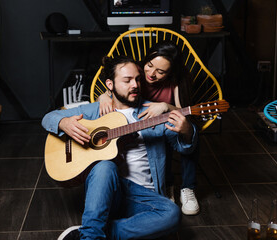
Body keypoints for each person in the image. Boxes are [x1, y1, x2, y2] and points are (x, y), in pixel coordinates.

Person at [42, 55, 198, 240]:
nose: (135, 85)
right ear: (110, 84)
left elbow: (185, 149)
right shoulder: (95, 110)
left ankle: (92, 233)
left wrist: (187, 131)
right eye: (127, 80)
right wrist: (64, 122)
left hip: (144, 195)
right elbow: (48, 118)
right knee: (105, 166)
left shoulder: (154, 113)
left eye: (138, 79)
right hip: (109, 190)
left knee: (172, 214)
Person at [98, 41, 200, 215]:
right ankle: (167, 184)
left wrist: (166, 106)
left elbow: (186, 114)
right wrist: (103, 96)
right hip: (140, 123)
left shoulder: (177, 81)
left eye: (160, 71)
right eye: (149, 65)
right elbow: (115, 86)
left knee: (187, 131)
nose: (151, 74)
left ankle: (187, 188)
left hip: (165, 120)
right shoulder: (136, 71)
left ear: (171, 73)